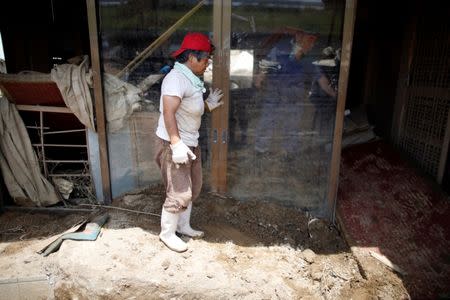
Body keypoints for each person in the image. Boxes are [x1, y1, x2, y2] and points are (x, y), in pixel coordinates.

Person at [154, 32, 224, 252]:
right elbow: (168, 113)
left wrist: (208, 105)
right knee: (178, 191)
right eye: (205, 60)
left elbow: (191, 108)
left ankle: (184, 226)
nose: (207, 64)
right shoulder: (175, 78)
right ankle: (167, 233)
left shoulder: (190, 79)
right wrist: (176, 144)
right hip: (175, 144)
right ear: (191, 57)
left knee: (193, 187)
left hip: (190, 142)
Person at [254, 28, 319, 159]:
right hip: (275, 88)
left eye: (313, 41)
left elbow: (317, 74)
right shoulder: (281, 46)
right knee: (268, 119)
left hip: (294, 92)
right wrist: (260, 77)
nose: (311, 44)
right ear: (299, 36)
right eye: (309, 39)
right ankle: (261, 149)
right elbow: (267, 62)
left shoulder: (309, 56)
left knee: (292, 121)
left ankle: (287, 152)